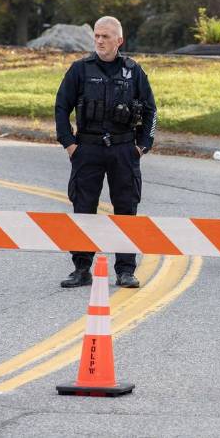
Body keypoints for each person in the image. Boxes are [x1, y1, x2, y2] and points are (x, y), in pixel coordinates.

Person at [54, 16, 157, 288]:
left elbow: (151, 111)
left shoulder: (134, 72)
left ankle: (125, 270)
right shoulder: (80, 69)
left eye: (106, 36)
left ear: (119, 40)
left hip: (124, 149)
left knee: (126, 209)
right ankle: (81, 269)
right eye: (97, 36)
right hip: (87, 149)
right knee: (83, 207)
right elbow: (61, 107)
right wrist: (69, 144)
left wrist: (142, 146)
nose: (100, 41)